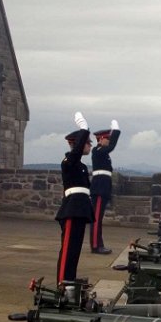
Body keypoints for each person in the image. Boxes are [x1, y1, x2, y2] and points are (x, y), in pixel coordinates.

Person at [54, 114, 93, 282]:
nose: (90, 145)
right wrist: (84, 128)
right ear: (75, 144)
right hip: (72, 208)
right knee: (68, 249)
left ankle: (70, 279)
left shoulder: (82, 166)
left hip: (81, 208)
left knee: (75, 249)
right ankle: (63, 281)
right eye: (86, 142)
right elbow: (75, 153)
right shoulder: (68, 161)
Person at [89, 120, 121, 254]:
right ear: (101, 139)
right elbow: (112, 146)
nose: (108, 141)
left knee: (98, 217)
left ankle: (98, 243)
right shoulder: (98, 150)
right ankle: (96, 245)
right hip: (100, 187)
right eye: (107, 139)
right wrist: (116, 131)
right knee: (96, 218)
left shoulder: (103, 153)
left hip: (103, 186)